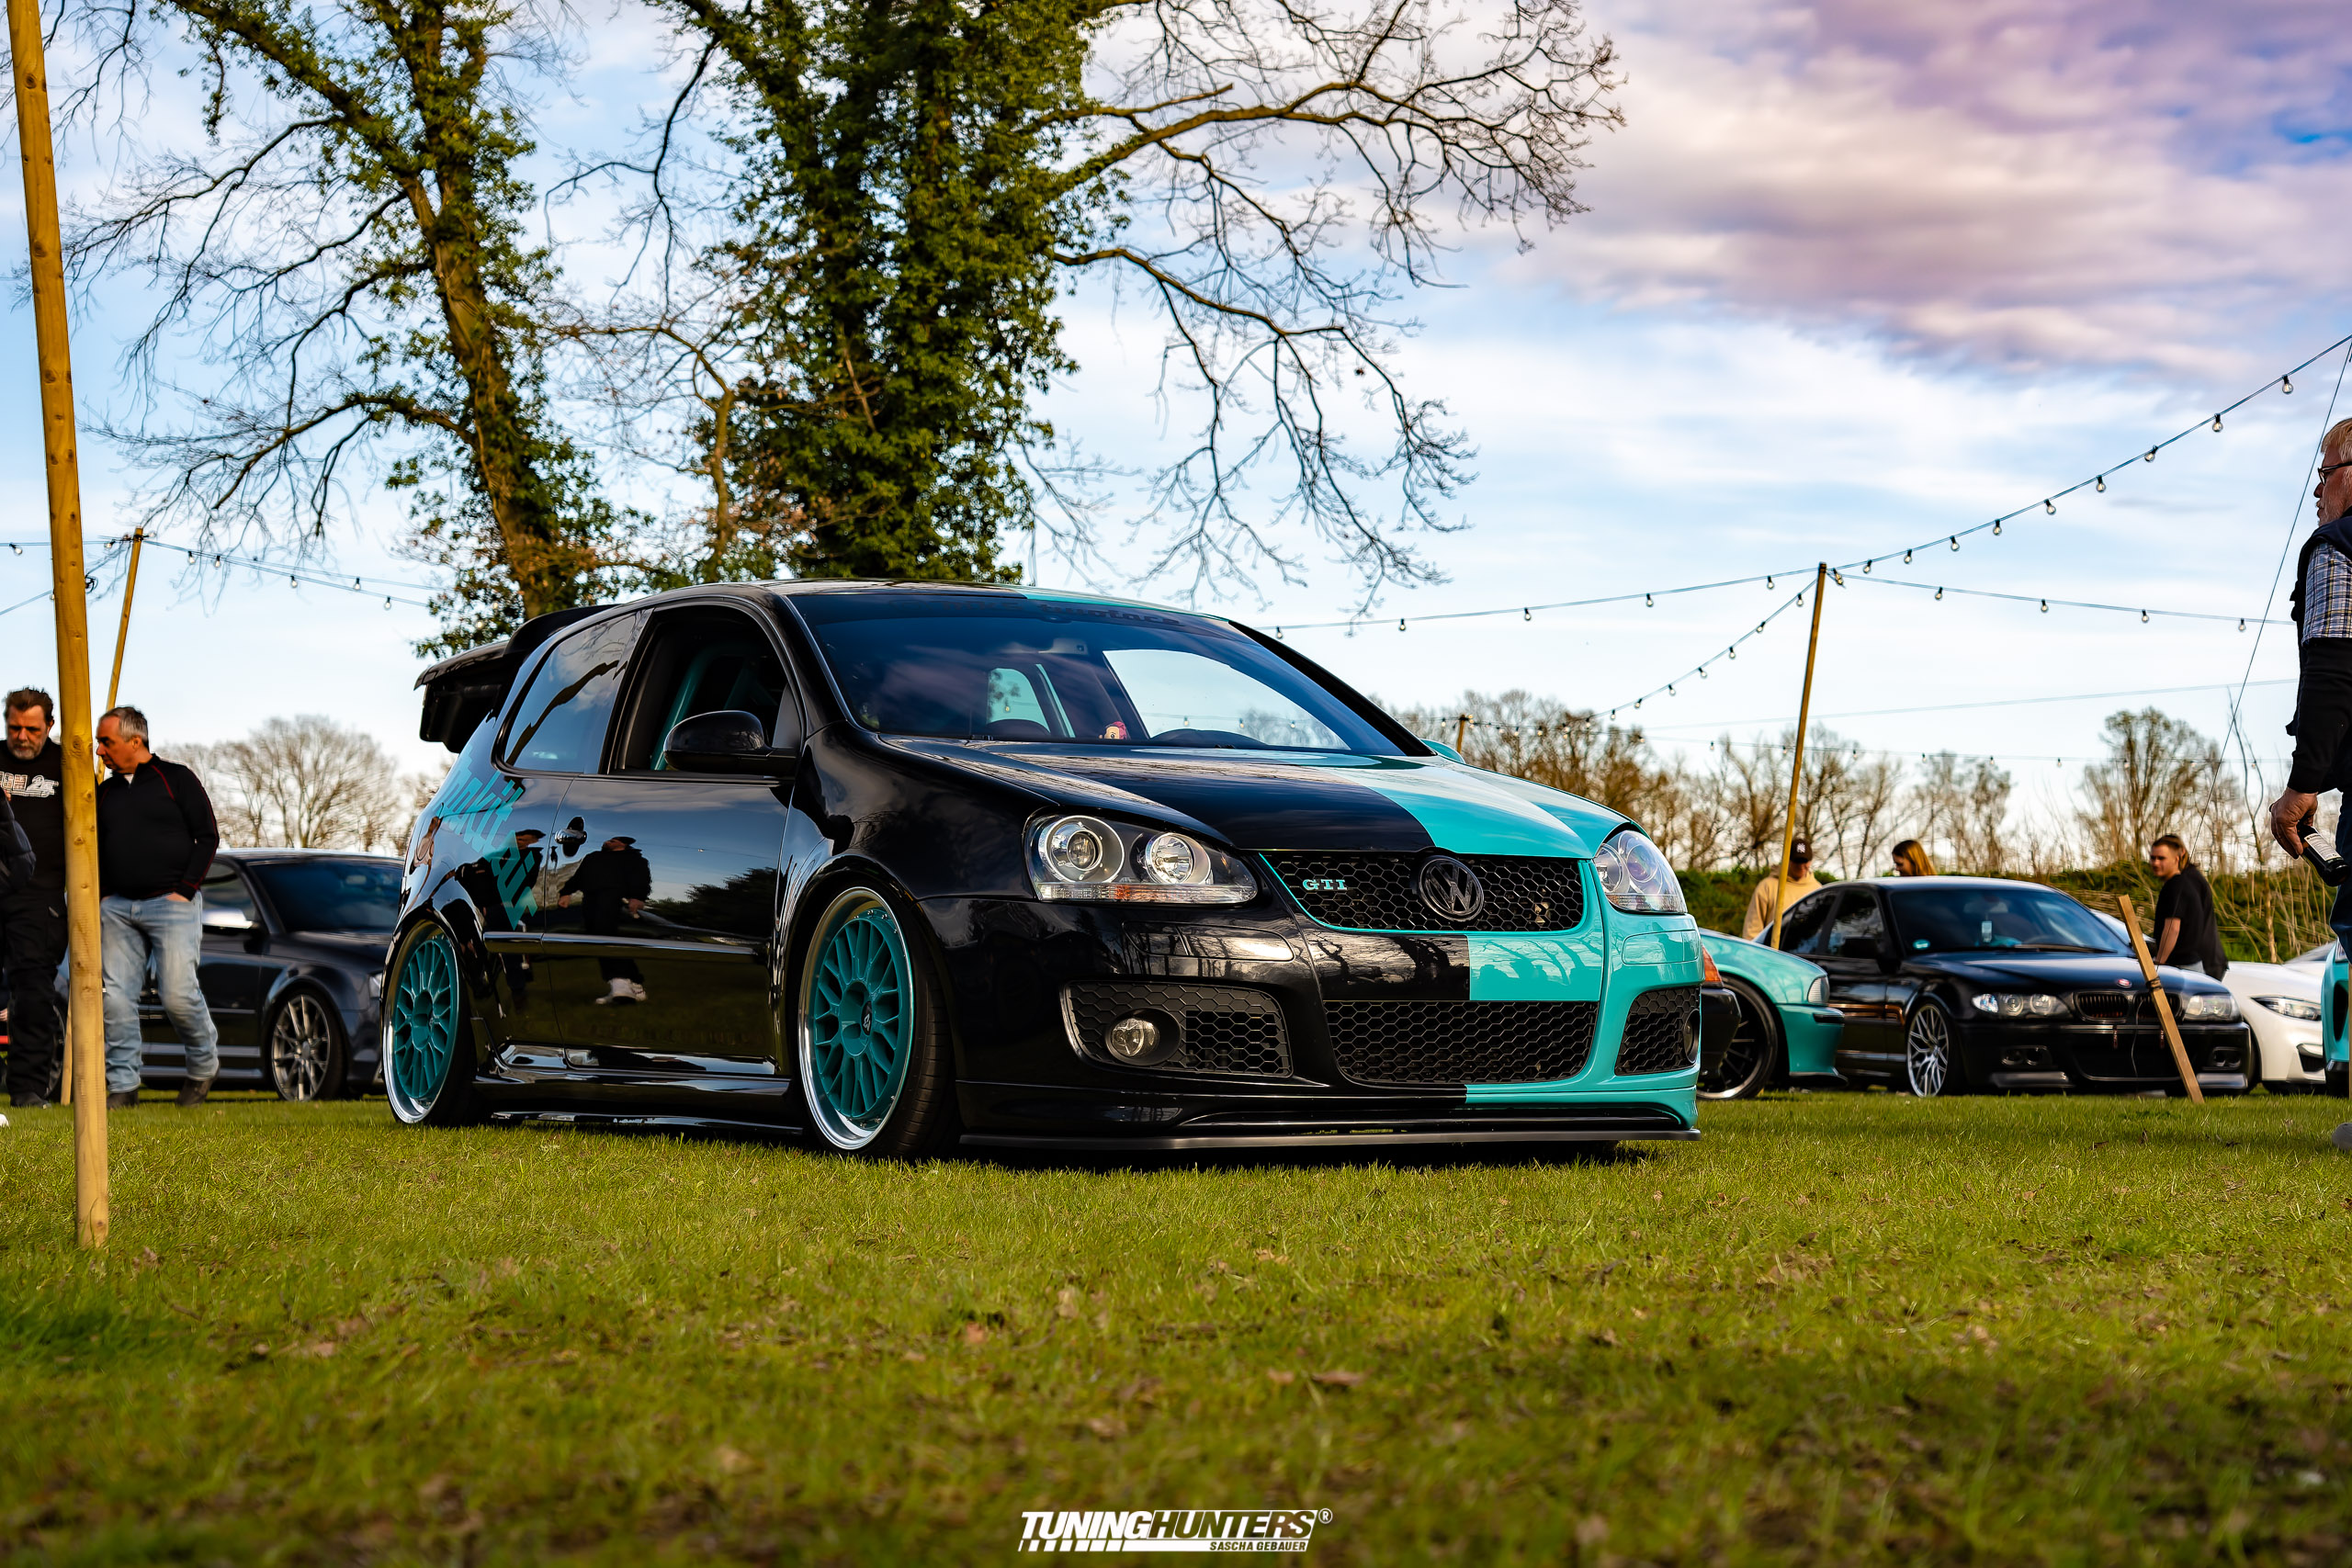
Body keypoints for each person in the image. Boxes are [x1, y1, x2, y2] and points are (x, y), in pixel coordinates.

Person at [94, 706, 220, 1109]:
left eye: (106, 742)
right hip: (117, 909)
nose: (99, 751)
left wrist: (185, 890)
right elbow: (92, 847)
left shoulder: (176, 779)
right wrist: (104, 894)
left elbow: (208, 836)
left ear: (136, 741)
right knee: (116, 999)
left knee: (177, 995)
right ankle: (123, 1086)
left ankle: (203, 1067)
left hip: (172, 906)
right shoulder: (104, 794)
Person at [0, 690, 67, 1108]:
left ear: (50, 726)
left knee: (33, 993)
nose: (21, 737)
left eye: (31, 729)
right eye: (14, 727)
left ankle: (27, 1089)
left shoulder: (69, 766)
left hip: (40, 896)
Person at [560, 836, 652, 1004]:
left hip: (614, 899)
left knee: (607, 937)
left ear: (624, 843)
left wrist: (638, 897)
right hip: (590, 900)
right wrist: (566, 892)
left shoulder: (635, 860)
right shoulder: (593, 857)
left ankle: (620, 985)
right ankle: (635, 984)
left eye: (613, 840)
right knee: (597, 939)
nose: (608, 841)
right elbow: (579, 877)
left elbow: (642, 879)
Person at [2146, 834, 2227, 977]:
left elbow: (2172, 928)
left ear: (2177, 858)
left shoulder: (2176, 885)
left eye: (2161, 858)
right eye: (2153, 858)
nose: (2156, 863)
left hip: (2184, 967)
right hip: (2192, 965)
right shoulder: (2186, 881)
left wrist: (2159, 961)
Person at [1742, 835, 1822, 942]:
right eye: (1797, 861)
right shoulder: (1767, 886)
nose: (1801, 866)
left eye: (1805, 861)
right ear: (1787, 859)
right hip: (1772, 951)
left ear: (1810, 861)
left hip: (1806, 950)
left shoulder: (1818, 890)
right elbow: (1752, 931)